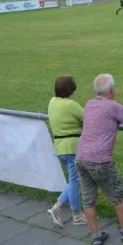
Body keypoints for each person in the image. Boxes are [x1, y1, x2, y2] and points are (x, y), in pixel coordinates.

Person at [76, 73, 123, 245]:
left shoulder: (89, 104)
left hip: (81, 157)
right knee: (119, 193)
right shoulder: (113, 106)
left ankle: (96, 235)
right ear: (112, 89)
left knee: (88, 199)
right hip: (100, 159)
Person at [46, 75, 87, 228]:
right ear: (71, 89)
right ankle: (77, 215)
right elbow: (89, 119)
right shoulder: (71, 105)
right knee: (75, 182)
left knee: (72, 181)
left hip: (59, 148)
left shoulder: (52, 101)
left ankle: (56, 208)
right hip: (72, 148)